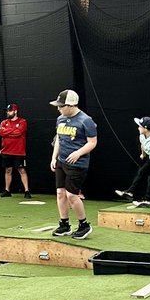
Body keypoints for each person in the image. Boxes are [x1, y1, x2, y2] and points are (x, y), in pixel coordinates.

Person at [49, 90, 97, 239]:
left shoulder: (85, 120)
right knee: (60, 193)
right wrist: (53, 157)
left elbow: (93, 142)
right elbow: (58, 139)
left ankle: (84, 224)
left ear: (71, 105)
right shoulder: (60, 119)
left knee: (71, 195)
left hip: (78, 164)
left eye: (61, 106)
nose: (59, 109)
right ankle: (64, 224)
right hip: (61, 162)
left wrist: (78, 153)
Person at [115, 117, 150, 208]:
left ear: (145, 128)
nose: (138, 128)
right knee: (141, 172)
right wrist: (143, 154)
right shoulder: (142, 135)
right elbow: (143, 145)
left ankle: (147, 201)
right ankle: (130, 192)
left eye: (140, 126)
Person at [0, 103, 30, 198]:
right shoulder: (4, 122)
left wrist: (7, 132)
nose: (8, 112)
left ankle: (27, 191)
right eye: (8, 111)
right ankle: (7, 190)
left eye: (10, 111)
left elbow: (19, 133)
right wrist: (12, 130)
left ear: (15, 111)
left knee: (22, 170)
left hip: (18, 151)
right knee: (8, 170)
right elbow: (0, 132)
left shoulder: (22, 121)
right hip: (6, 151)